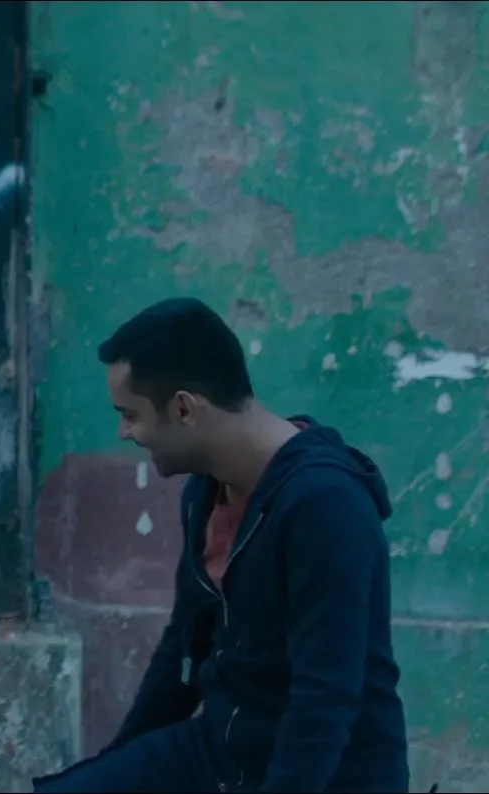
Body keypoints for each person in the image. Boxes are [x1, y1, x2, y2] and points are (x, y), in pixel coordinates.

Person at [33, 297, 407, 793]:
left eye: (130, 415)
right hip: (222, 754)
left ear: (184, 408)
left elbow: (325, 700)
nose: (124, 433)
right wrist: (114, 769)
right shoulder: (205, 490)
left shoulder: (325, 505)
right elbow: (183, 651)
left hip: (327, 775)